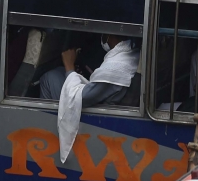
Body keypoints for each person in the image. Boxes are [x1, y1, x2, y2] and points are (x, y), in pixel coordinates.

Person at [40, 34, 140, 162]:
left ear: (109, 36)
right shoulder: (130, 54)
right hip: (102, 101)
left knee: (49, 78)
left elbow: (82, 98)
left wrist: (69, 66)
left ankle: (49, 137)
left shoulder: (115, 67)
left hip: (95, 114)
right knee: (57, 73)